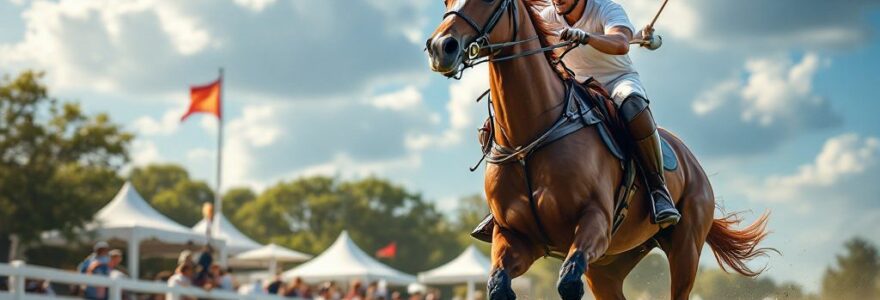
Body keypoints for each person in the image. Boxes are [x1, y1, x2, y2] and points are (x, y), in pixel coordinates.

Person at [545, 0, 681, 227]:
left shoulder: (608, 9)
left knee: (633, 105)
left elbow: (620, 43)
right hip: (575, 88)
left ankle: (658, 190)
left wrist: (585, 36)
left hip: (616, 82)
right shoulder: (546, 16)